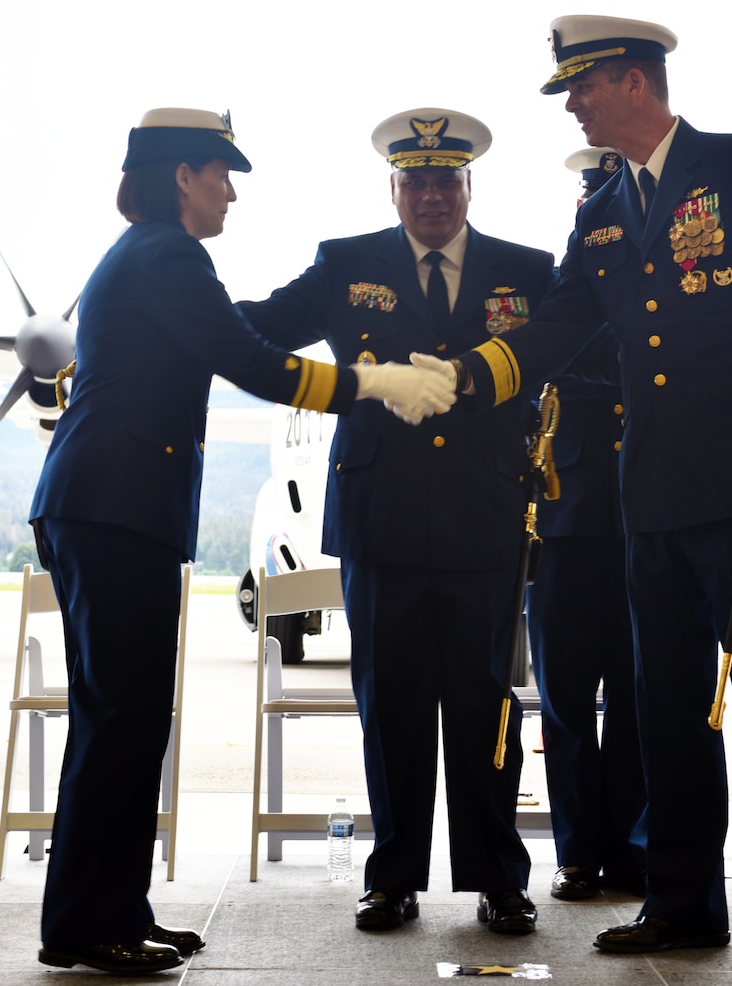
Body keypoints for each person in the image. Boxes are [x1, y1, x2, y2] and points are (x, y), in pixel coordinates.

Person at [437, 16, 732, 969]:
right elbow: (565, 322)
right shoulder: (604, 208)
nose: (572, 103)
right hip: (649, 492)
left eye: (581, 85)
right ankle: (684, 903)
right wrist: (468, 374)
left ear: (631, 80)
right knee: (665, 710)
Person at [28, 107, 455, 975]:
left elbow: (239, 339)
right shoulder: (169, 254)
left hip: (109, 508)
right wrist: (376, 381)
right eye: (221, 176)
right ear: (182, 176)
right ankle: (84, 924)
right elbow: (256, 363)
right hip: (115, 511)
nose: (229, 194)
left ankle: (108, 909)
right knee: (121, 720)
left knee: (123, 719)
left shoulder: (149, 259)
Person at [236, 109, 555, 935]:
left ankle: (499, 879)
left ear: (469, 186)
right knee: (393, 706)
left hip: (485, 521)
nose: (432, 196)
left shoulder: (525, 272)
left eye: (447, 179)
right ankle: (392, 877)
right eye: (415, 180)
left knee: (489, 708)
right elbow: (256, 330)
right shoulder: (347, 266)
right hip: (381, 521)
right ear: (393, 188)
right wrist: (173, 310)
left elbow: (574, 355)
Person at [527, 147, 646, 903]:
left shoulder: (664, 285)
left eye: (611, 193)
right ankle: (576, 851)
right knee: (566, 696)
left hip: (643, 512)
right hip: (564, 513)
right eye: (590, 194)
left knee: (640, 696)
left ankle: (633, 850)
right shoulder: (552, 280)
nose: (597, 207)